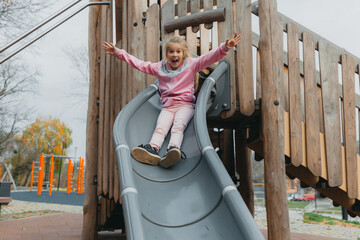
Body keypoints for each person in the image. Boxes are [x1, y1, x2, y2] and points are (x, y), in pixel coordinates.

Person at [103, 33, 241, 168]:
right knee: (160, 128)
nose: (174, 54)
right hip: (167, 107)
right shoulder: (160, 68)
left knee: (178, 126)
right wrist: (118, 53)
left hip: (185, 106)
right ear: (167, 54)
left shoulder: (191, 65)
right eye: (171, 51)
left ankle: (173, 150)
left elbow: (209, 58)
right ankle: (152, 148)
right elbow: (140, 64)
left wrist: (225, 47)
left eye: (178, 51)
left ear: (183, 54)